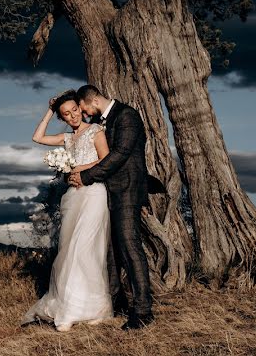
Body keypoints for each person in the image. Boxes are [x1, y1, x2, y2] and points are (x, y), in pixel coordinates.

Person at [21, 90, 114, 330]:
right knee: (68, 249)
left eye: (74, 110)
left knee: (85, 249)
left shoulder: (96, 131)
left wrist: (79, 167)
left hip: (94, 194)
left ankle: (93, 308)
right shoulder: (67, 138)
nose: (72, 116)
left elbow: (106, 158)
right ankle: (74, 305)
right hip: (73, 198)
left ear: (81, 109)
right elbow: (37, 137)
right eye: (66, 114)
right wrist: (50, 111)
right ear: (62, 117)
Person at [69, 84, 154, 330]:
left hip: (126, 190)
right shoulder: (102, 121)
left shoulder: (127, 116)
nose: (84, 115)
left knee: (130, 247)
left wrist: (86, 177)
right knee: (111, 251)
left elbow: (119, 155)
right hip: (107, 191)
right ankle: (116, 301)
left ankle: (143, 310)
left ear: (93, 101)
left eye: (83, 109)